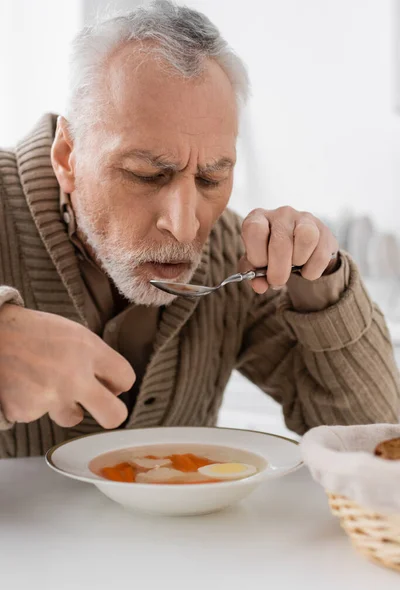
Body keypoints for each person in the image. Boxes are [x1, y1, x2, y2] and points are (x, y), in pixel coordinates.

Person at [0, 0, 398, 459]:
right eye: (147, 175)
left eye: (211, 178)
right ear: (68, 157)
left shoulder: (234, 259)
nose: (185, 225)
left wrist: (323, 288)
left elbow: (376, 444)